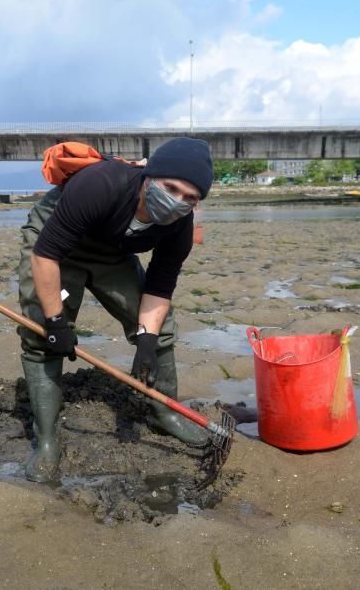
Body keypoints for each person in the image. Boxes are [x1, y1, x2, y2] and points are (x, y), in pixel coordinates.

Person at [18, 137, 213, 482]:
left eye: (189, 198)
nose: (176, 202)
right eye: (171, 188)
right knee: (41, 336)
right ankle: (46, 439)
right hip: (57, 243)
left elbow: (159, 287)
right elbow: (45, 254)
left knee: (161, 330)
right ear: (148, 177)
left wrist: (148, 341)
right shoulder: (101, 184)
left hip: (112, 253)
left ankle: (164, 413)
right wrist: (56, 321)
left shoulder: (179, 227)